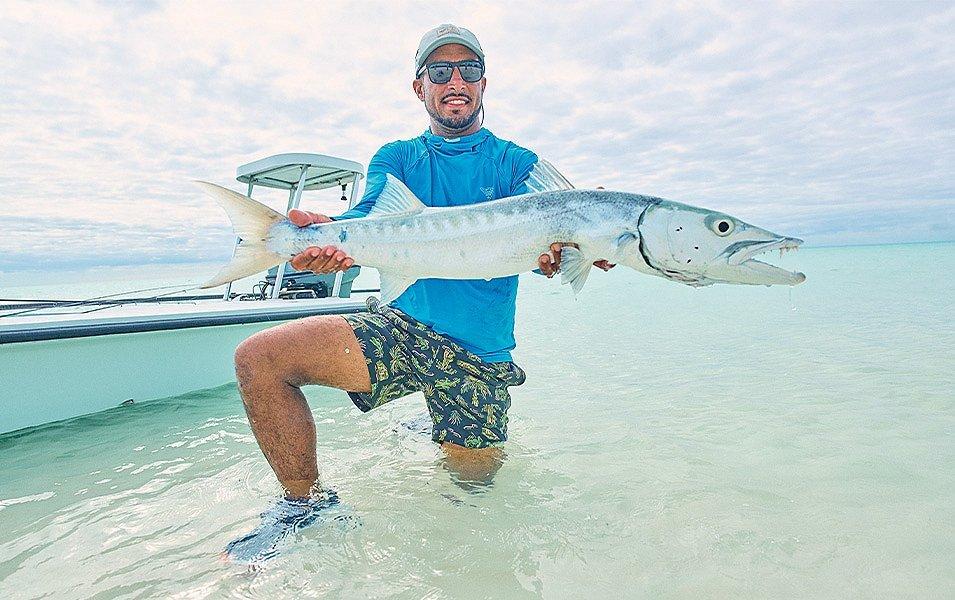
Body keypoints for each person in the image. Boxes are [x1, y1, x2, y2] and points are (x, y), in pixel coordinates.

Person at [224, 24, 611, 562]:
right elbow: (366, 219)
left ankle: (432, 421)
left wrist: (578, 248)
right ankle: (303, 505)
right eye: (440, 71)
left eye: (468, 70)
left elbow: (553, 236)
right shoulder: (398, 156)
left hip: (480, 351)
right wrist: (324, 232)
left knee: (475, 494)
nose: (455, 80)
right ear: (419, 86)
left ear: (483, 83)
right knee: (258, 358)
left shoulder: (515, 163)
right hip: (402, 327)